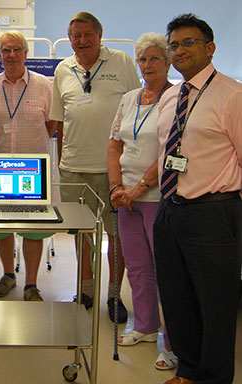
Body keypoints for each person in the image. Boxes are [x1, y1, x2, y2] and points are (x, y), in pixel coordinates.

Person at [154, 14, 242, 384]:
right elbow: (163, 151)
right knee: (177, 301)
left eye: (188, 43)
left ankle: (214, 377)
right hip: (170, 210)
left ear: (210, 48)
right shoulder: (171, 95)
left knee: (216, 306)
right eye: (173, 44)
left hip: (214, 212)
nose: (179, 50)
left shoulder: (232, 95)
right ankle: (188, 371)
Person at [49, 12, 141, 322]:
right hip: (74, 167)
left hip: (115, 169)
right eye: (76, 36)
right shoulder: (63, 69)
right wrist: (63, 162)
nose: (82, 41)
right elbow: (60, 123)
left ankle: (115, 294)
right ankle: (85, 288)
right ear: (69, 37)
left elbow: (138, 109)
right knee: (82, 233)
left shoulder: (122, 63)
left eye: (88, 34)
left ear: (100, 35)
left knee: (117, 236)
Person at [106, 32, 177, 371]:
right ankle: (146, 327)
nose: (147, 65)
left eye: (154, 59)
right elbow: (114, 144)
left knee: (167, 270)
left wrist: (139, 188)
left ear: (167, 62)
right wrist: (116, 187)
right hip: (126, 198)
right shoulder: (130, 97)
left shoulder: (178, 97)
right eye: (142, 59)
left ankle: (175, 342)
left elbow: (170, 151)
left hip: (159, 196)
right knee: (136, 267)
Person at [0, 31, 56, 301]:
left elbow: (51, 125)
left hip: (33, 168)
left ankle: (31, 284)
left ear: (25, 53)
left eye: (16, 49)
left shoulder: (44, 85)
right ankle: (8, 275)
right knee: (2, 226)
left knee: (33, 227)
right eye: (5, 50)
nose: (11, 55)